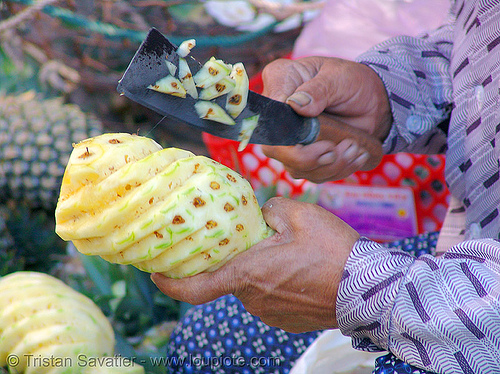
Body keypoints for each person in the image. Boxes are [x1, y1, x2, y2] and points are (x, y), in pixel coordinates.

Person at [152, 0, 500, 373]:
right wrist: (393, 94)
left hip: (471, 321)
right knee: (205, 344)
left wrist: (363, 291)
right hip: (466, 245)